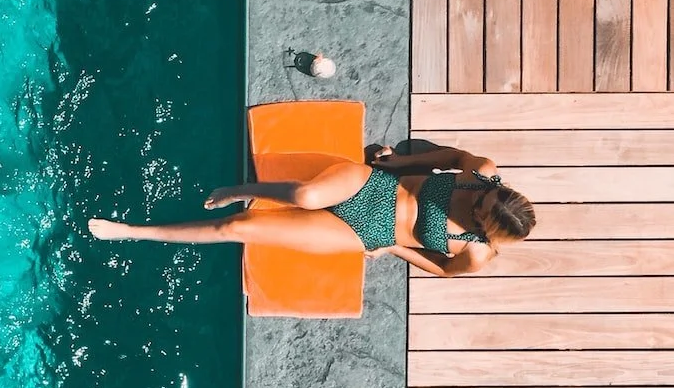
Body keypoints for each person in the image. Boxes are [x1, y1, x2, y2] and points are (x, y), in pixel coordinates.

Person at [87, 139, 535, 275]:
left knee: (238, 228)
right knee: (304, 196)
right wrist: (397, 162)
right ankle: (240, 187)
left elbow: (443, 270)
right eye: (486, 195)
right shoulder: (482, 173)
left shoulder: (475, 252)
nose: (477, 199)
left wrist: (393, 249)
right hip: (374, 185)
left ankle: (132, 232)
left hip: (366, 234)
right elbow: (452, 157)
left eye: (481, 211)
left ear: (488, 229)